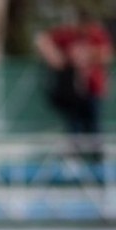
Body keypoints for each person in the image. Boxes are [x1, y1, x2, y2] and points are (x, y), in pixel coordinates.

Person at [35, 5, 112, 163]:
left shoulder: (96, 35)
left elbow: (106, 54)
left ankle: (97, 159)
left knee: (93, 124)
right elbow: (43, 40)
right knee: (74, 124)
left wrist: (87, 55)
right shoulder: (69, 34)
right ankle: (74, 158)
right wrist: (55, 57)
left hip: (92, 89)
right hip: (72, 90)